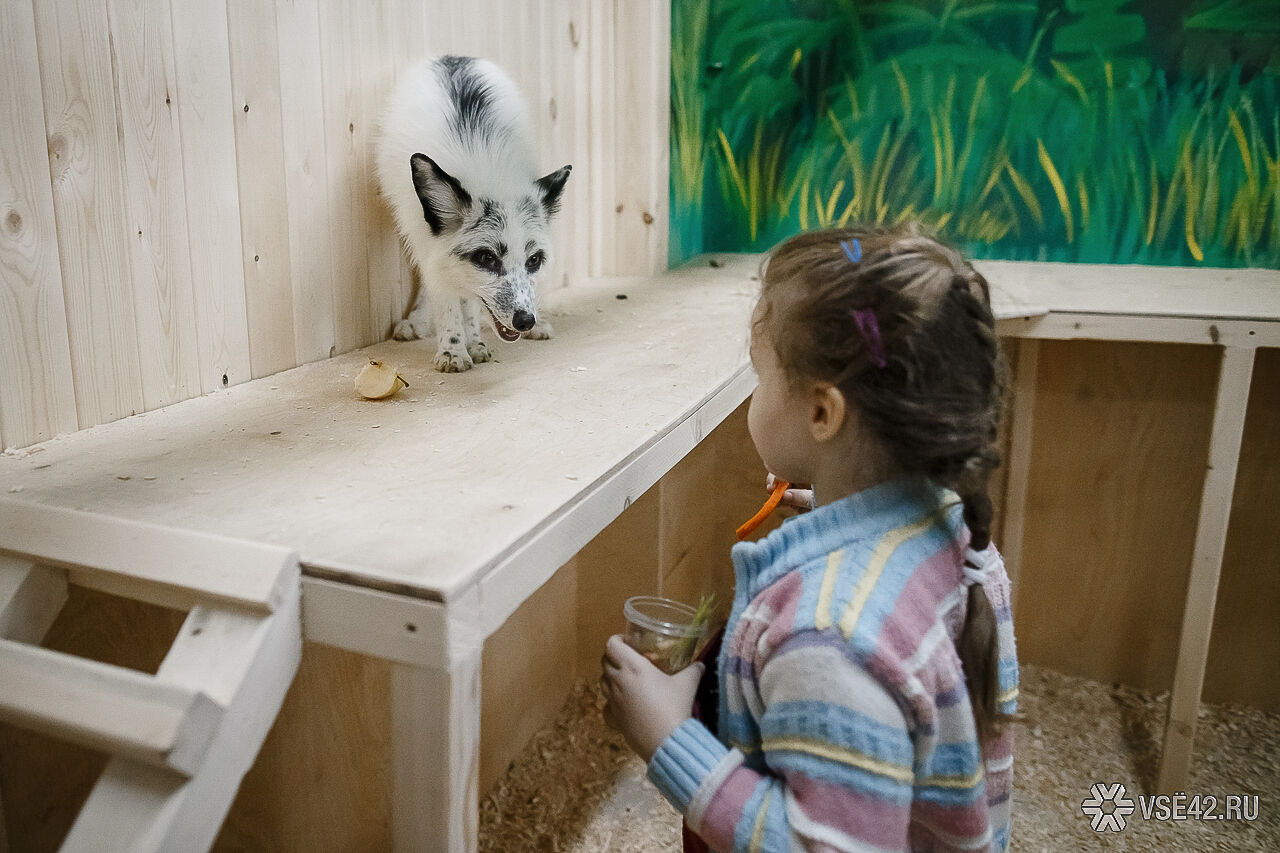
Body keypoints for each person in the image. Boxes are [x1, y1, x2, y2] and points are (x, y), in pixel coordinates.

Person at [600, 224, 1019, 852]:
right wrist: (837, 510)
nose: (754, 395)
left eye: (760, 376)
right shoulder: (955, 534)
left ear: (823, 413)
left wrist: (667, 741)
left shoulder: (830, 635)